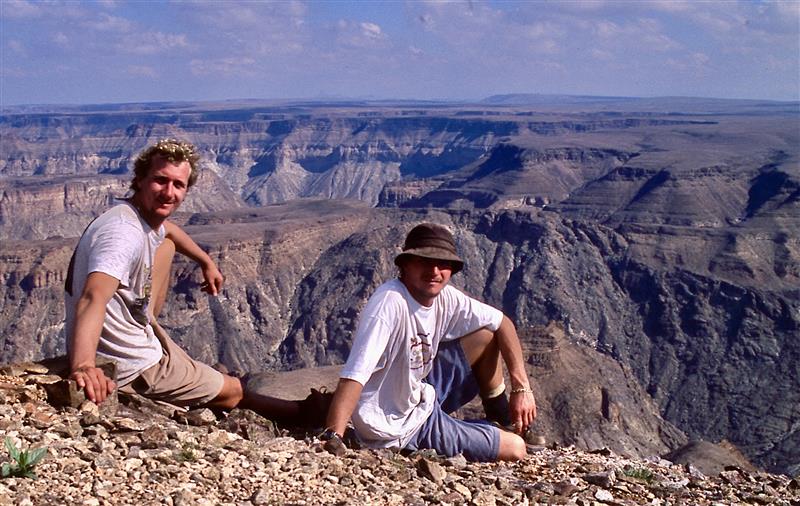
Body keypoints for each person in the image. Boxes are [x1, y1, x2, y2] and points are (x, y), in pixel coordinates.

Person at [64, 138, 327, 425]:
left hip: (134, 330)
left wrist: (206, 262)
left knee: (165, 244)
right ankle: (304, 414)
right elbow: (93, 297)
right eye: (160, 181)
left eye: (178, 185)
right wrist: (85, 365)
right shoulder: (122, 234)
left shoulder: (136, 217)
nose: (168, 192)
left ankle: (196, 370)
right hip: (134, 367)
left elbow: (170, 232)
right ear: (139, 180)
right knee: (235, 390)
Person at [322, 223, 536, 461]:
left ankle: (501, 420)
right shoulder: (389, 304)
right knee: (515, 448)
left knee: (485, 334)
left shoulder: (445, 298)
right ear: (405, 264)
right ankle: (487, 433)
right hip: (398, 425)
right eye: (424, 261)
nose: (434, 270)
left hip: (418, 392)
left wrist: (522, 388)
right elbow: (356, 374)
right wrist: (334, 437)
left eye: (443, 264)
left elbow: (502, 323)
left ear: (452, 269)